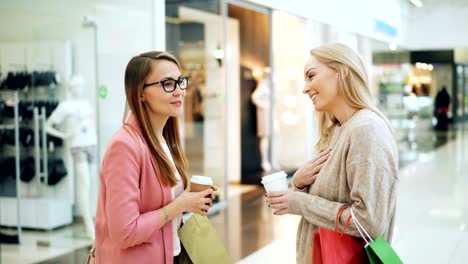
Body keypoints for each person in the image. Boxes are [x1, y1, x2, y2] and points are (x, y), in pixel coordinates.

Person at [265, 43, 398, 263]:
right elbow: (329, 199)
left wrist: (301, 202)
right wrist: (298, 183)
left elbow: (369, 221)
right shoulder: (338, 130)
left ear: (342, 72)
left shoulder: (367, 130)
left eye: (311, 76)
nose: (305, 88)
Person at [94, 51, 216, 264]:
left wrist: (192, 199)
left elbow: (159, 201)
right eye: (167, 84)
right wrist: (180, 205)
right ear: (141, 92)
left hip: (171, 254)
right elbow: (125, 231)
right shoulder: (124, 146)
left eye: (180, 82)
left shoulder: (163, 140)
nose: (179, 91)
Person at [45, 75, 97, 240]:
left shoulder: (87, 104)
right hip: (77, 146)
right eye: (75, 86)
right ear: (70, 88)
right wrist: (65, 135)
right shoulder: (64, 106)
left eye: (80, 86)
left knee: (93, 183)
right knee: (85, 183)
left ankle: (95, 222)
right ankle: (89, 226)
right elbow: (47, 126)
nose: (78, 89)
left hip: (92, 144)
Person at [251, 69, 272, 172]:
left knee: (269, 137)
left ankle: (268, 160)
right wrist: (264, 105)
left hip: (268, 114)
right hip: (264, 115)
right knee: (265, 137)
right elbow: (254, 97)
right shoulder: (262, 86)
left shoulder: (267, 86)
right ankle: (264, 161)